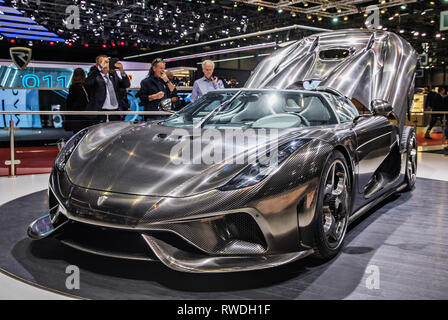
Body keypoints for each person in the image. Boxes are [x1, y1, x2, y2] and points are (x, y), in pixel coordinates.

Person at [84, 55, 130, 123]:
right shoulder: (94, 76)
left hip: (115, 112)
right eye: (103, 62)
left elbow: (126, 85)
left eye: (107, 62)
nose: (105, 64)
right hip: (100, 113)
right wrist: (100, 66)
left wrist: (121, 70)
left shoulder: (113, 76)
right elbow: (88, 83)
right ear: (97, 65)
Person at [65, 68, 89, 133]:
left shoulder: (73, 87)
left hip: (77, 115)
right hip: (86, 114)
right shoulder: (87, 86)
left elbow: (69, 102)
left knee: (78, 135)